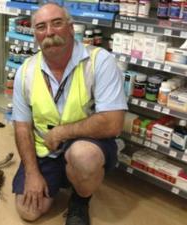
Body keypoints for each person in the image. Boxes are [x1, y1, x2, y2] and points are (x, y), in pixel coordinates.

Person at [11, 3, 127, 225]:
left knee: (83, 157)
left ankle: (80, 200)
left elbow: (113, 123)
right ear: (35, 35)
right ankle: (59, 176)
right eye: (41, 27)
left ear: (71, 28)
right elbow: (22, 126)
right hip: (45, 149)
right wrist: (32, 173)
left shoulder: (99, 61)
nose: (50, 32)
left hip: (86, 145)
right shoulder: (25, 71)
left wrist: (62, 132)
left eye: (57, 23)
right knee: (29, 212)